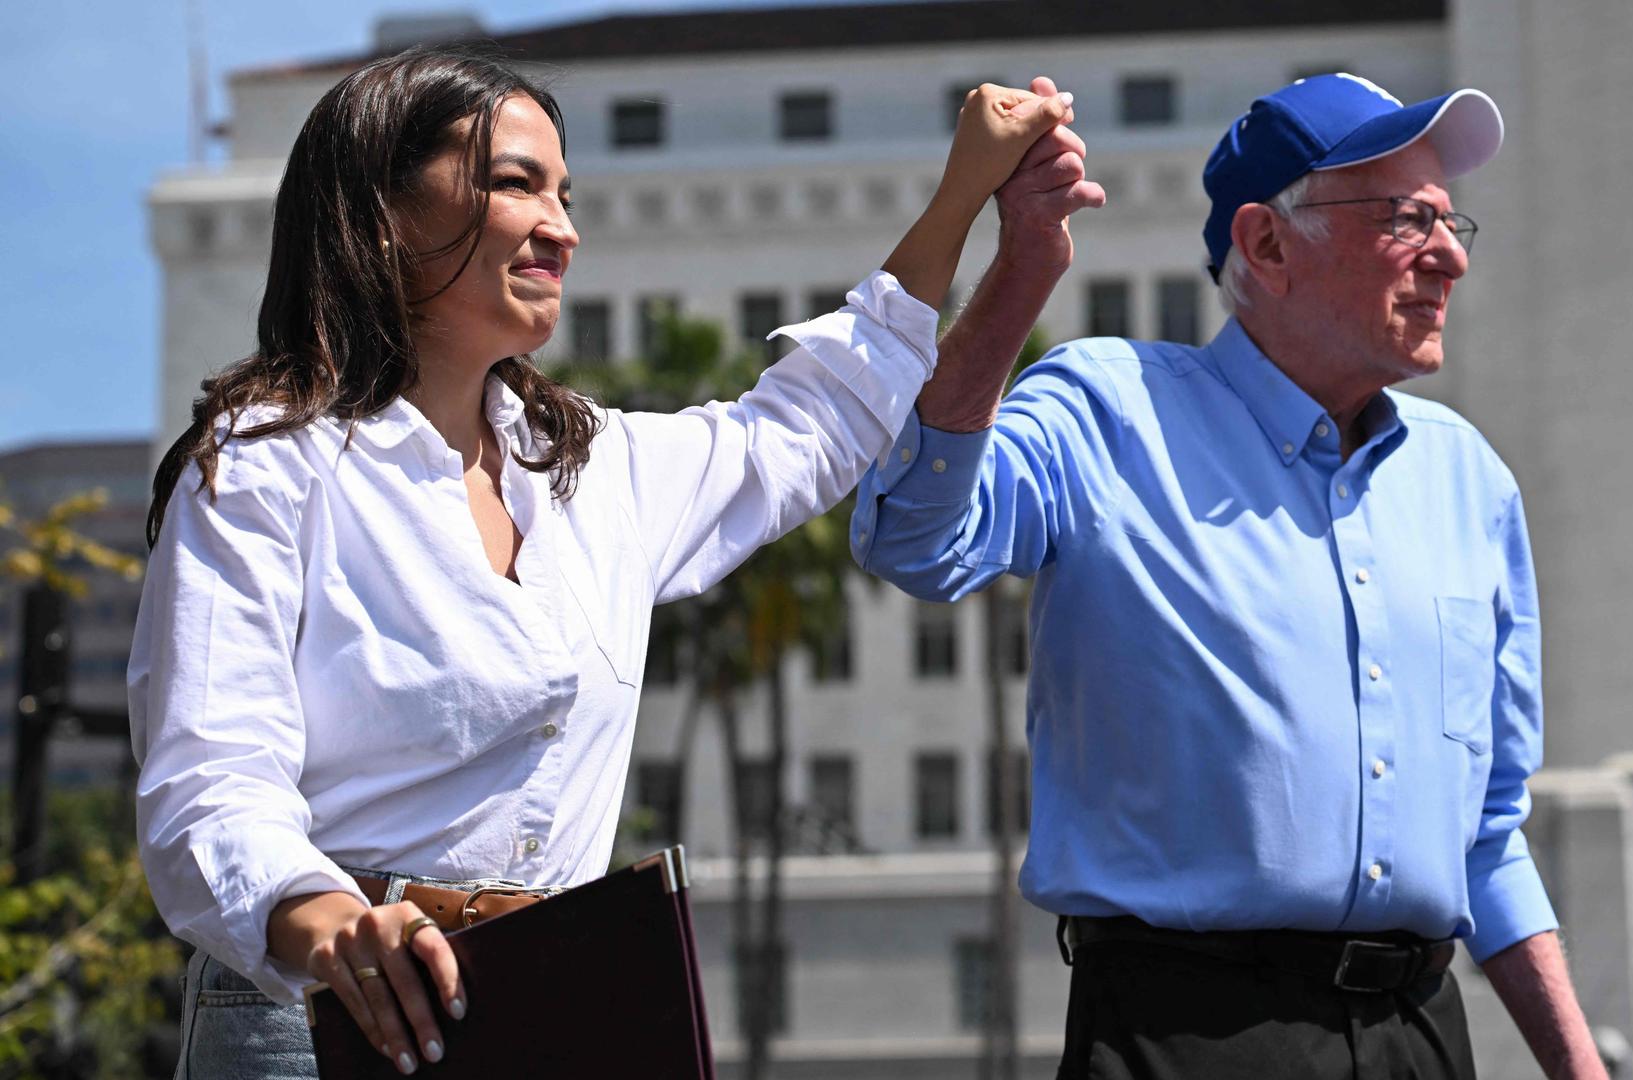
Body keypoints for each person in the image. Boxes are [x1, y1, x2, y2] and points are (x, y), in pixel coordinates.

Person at [131, 44, 1097, 1077]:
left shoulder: (589, 468)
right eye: (514, 184)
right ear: (382, 215)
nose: (561, 226)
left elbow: (806, 427)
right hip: (320, 1018)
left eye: (564, 192)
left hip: (545, 1006)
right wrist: (323, 919)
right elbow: (210, 779)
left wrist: (965, 200)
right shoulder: (268, 467)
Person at [851, 73, 1609, 1079]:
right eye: (1406, 218)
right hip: (1185, 1036)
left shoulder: (1469, 479)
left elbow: (1490, 836)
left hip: (1423, 1038)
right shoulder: (1108, 412)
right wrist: (1023, 270)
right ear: (1266, 244)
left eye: (1451, 219)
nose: (1452, 255)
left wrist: (1582, 1070)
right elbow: (912, 535)